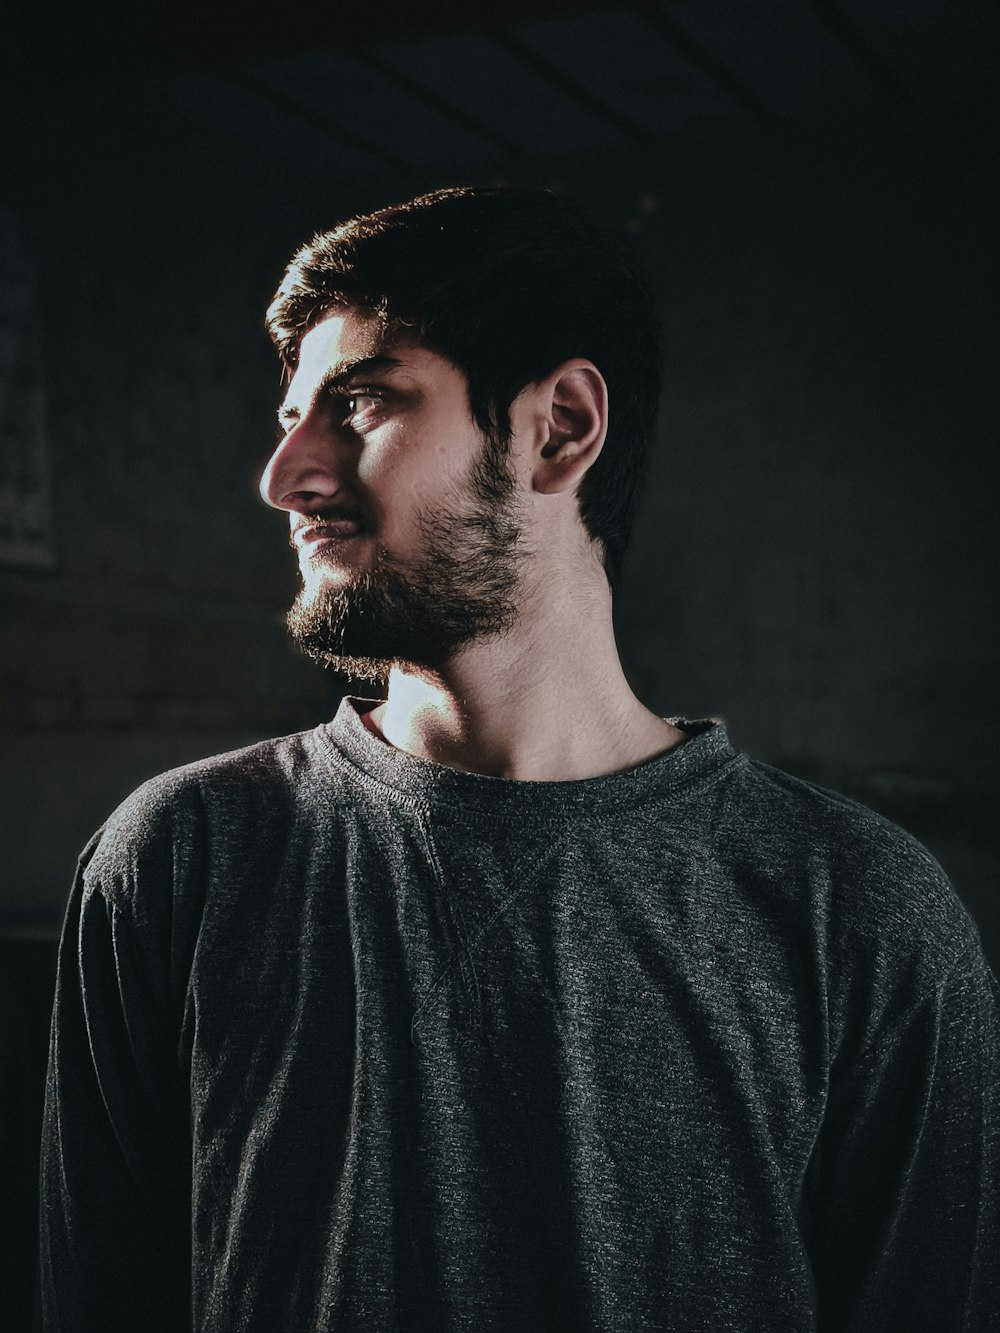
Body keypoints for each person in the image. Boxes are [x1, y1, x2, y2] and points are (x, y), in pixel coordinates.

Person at [40, 186, 999, 1332]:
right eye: (289, 415)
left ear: (558, 427)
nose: (284, 475)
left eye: (358, 402)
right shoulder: (173, 859)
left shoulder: (862, 913)